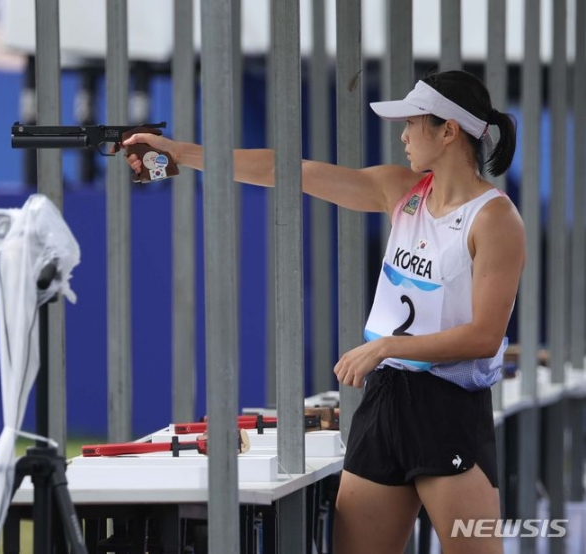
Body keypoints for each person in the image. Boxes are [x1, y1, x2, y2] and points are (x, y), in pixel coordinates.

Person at [123, 69, 524, 554]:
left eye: (411, 124)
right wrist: (180, 153)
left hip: (447, 408)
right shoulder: (401, 191)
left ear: (448, 130)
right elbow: (284, 171)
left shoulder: (495, 217)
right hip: (385, 399)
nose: (402, 135)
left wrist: (387, 346)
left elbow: (484, 337)